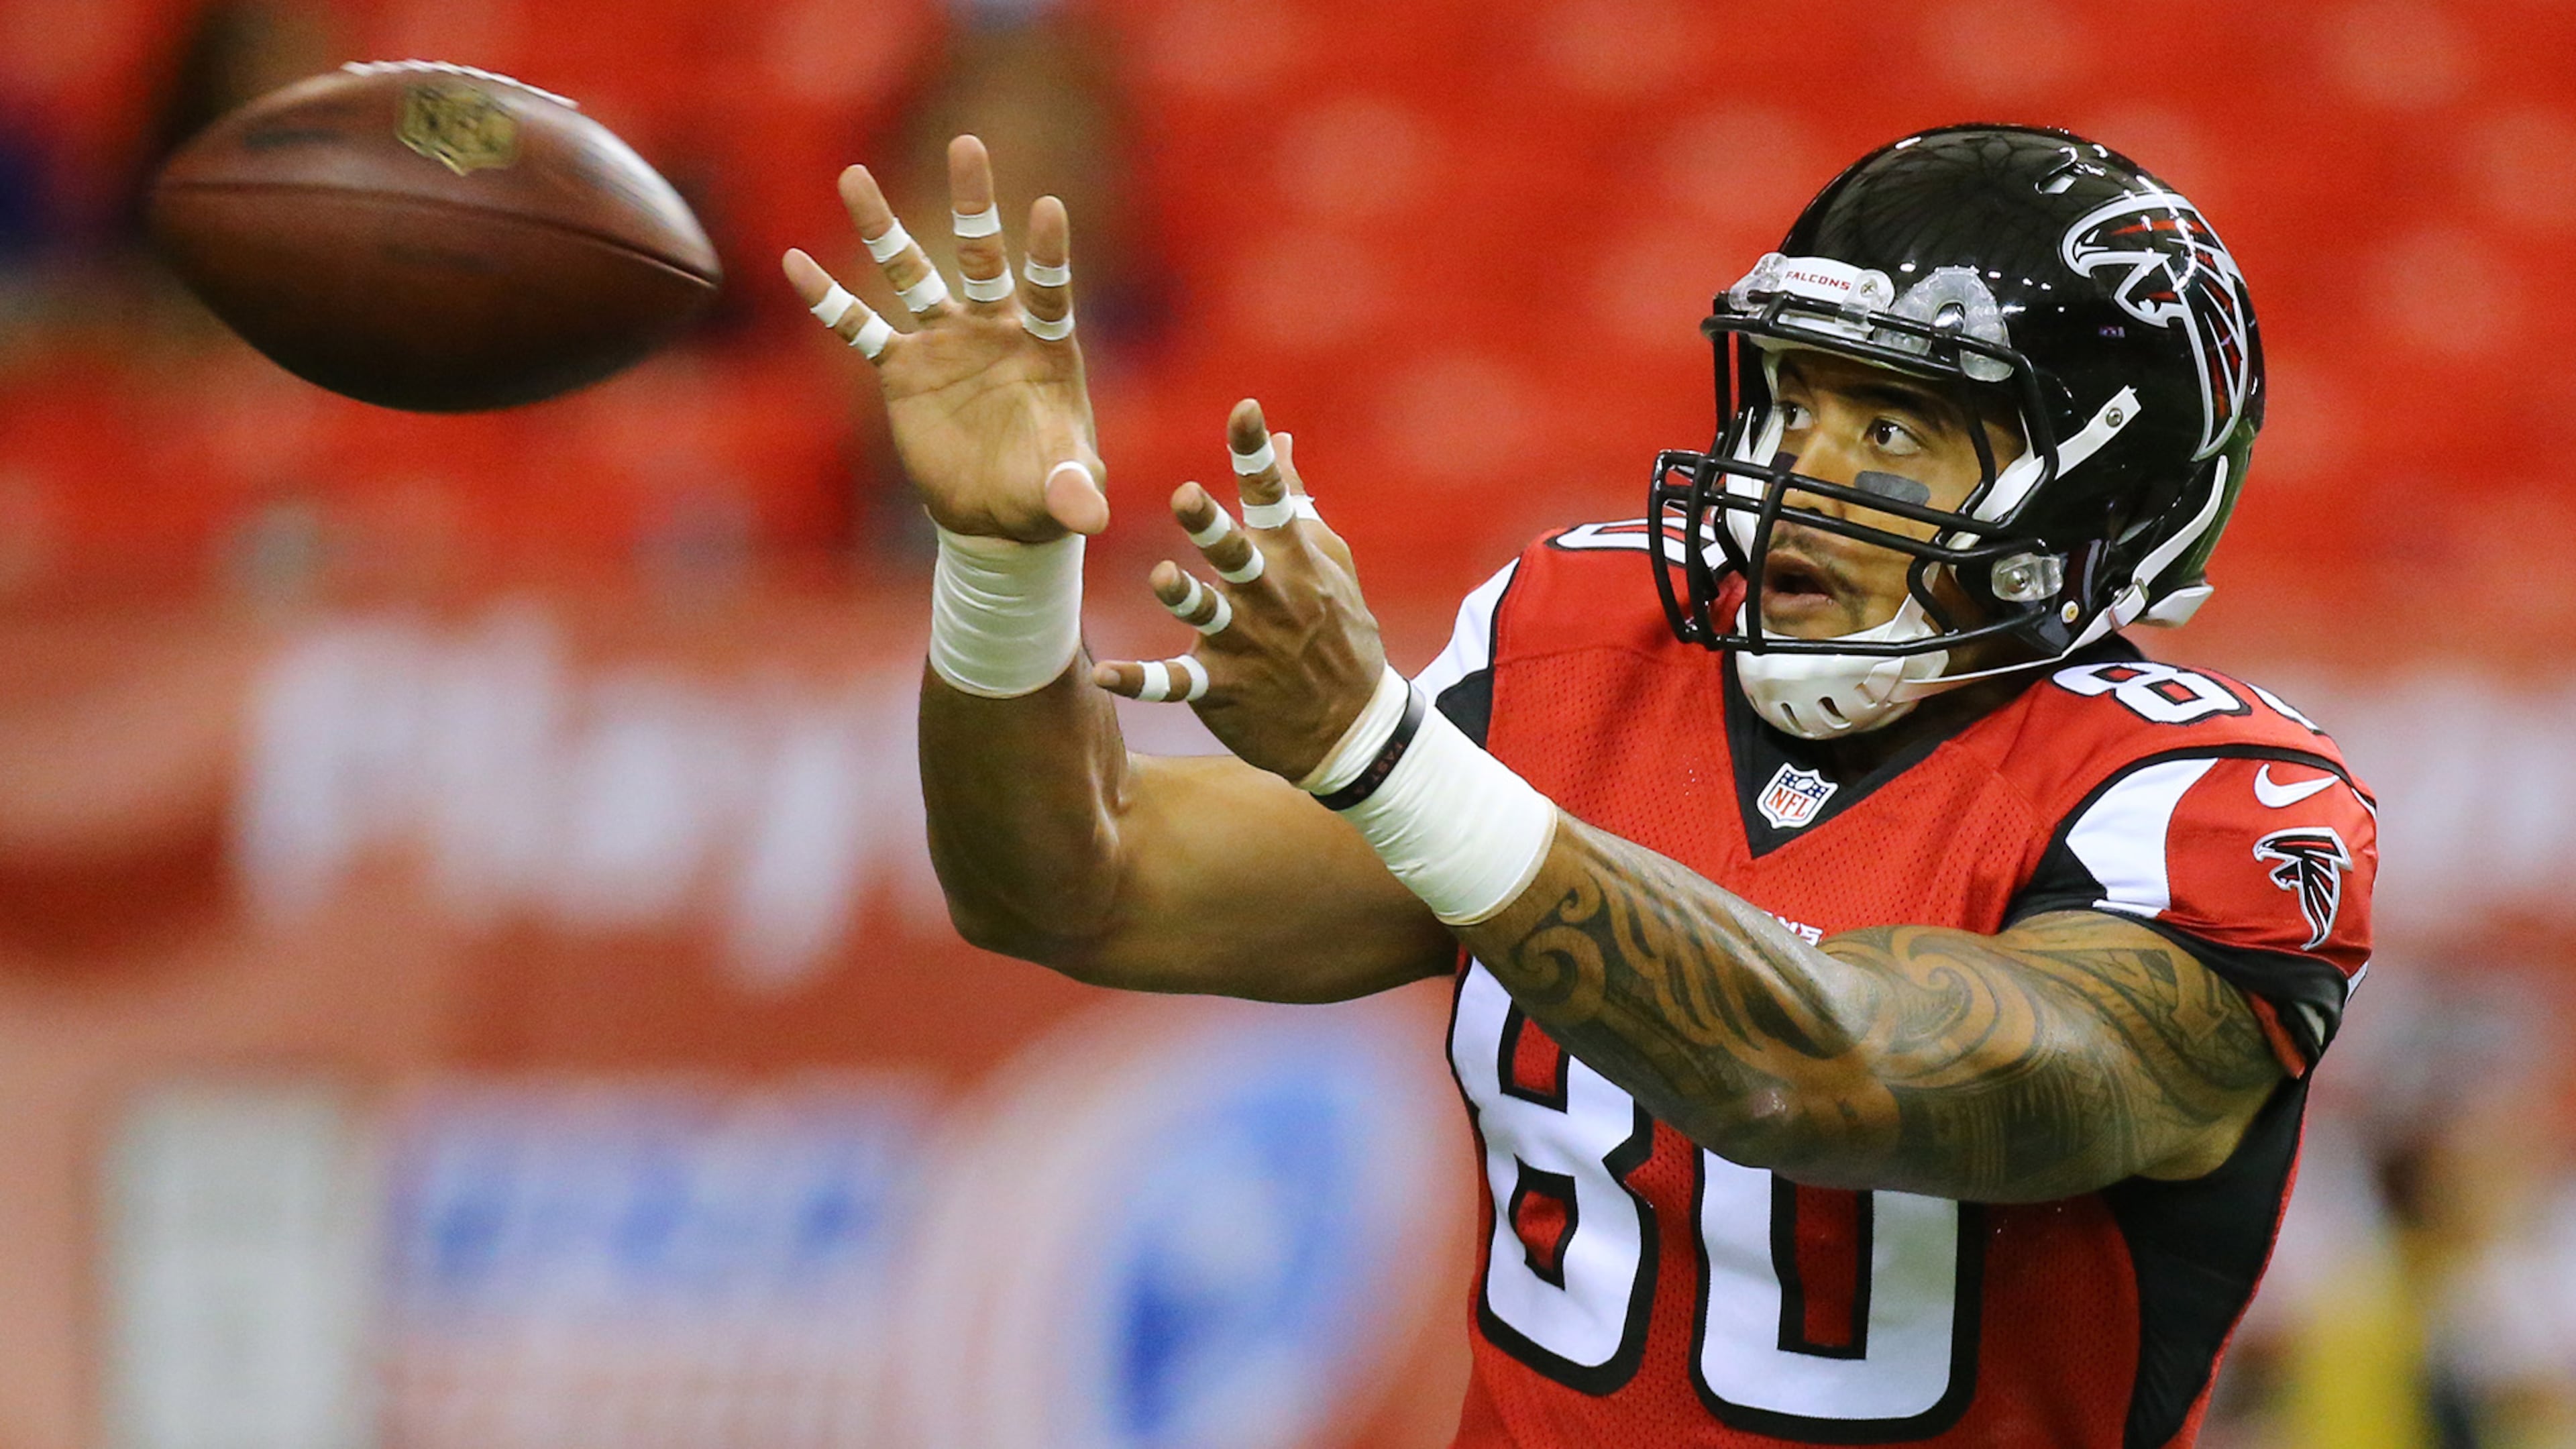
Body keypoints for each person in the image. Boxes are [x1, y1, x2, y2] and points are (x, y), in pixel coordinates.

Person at [782, 123, 2377, 1448]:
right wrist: (1002, 563)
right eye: (1788, 401)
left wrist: (1381, 760)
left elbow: (1820, 1080)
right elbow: (1073, 879)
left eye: (1888, 425)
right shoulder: (1588, 644)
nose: (1793, 476)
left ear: (2098, 493)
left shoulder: (2207, 805)